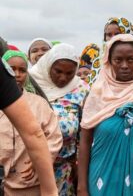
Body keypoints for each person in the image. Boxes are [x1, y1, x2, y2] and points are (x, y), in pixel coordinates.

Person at [78, 34, 133, 196]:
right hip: (102, 175)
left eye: (131, 59)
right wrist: (82, 187)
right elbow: (85, 141)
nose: (124, 65)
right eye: (118, 60)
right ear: (109, 61)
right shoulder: (98, 94)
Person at [0, 39, 58, 196]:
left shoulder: (40, 104)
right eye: (11, 70)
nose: (17, 75)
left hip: (30, 184)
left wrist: (40, 160)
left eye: (22, 70)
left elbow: (53, 137)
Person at [30, 43, 90, 195]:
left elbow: (85, 130)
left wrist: (78, 164)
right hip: (30, 167)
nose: (63, 78)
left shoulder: (80, 89)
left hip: (64, 168)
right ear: (48, 64)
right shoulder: (31, 84)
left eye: (69, 73)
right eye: (58, 71)